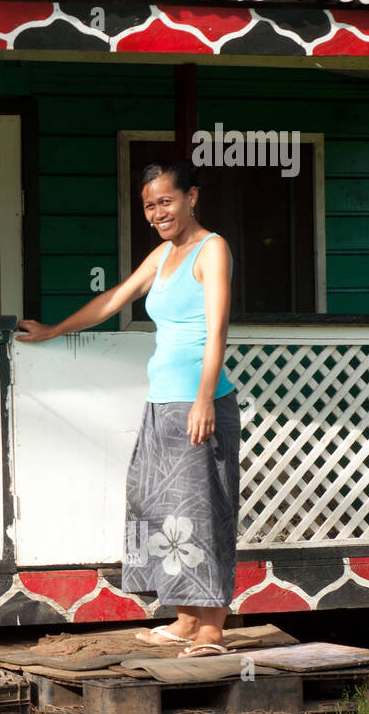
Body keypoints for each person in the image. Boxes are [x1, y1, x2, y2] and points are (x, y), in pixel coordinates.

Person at [16, 159, 241, 657]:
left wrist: (204, 397)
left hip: (202, 401)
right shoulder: (161, 257)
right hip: (162, 402)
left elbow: (218, 327)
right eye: (149, 205)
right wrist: (54, 330)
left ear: (192, 198)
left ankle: (212, 629)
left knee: (205, 510)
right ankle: (184, 617)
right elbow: (115, 298)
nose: (158, 212)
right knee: (160, 509)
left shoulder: (213, 249)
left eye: (167, 201)